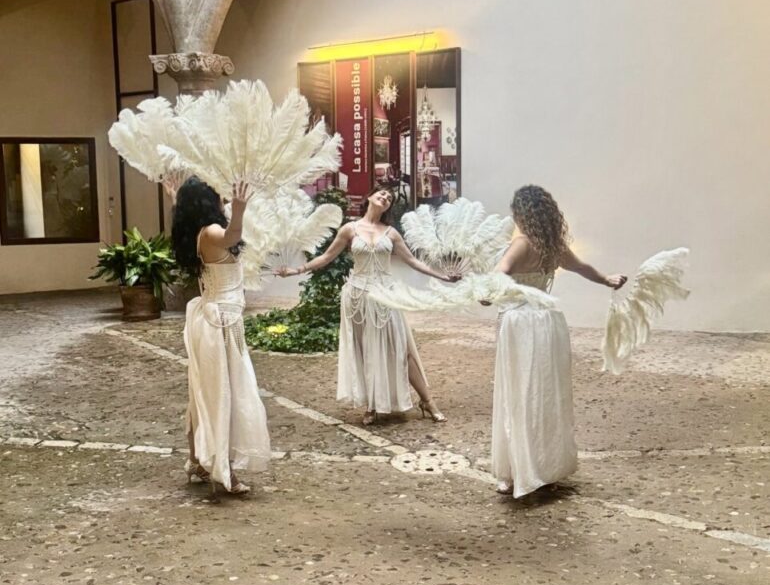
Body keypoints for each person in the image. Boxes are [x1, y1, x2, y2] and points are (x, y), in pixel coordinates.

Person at [278, 184, 456, 426]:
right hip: (357, 297)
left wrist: (442, 276)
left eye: (389, 197)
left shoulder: (391, 233)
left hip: (386, 297)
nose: (385, 197)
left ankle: (428, 400)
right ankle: (372, 405)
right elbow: (327, 257)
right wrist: (296, 270)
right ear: (370, 196)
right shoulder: (349, 229)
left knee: (402, 348)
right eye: (381, 193)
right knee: (366, 351)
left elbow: (413, 261)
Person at [492, 184, 627, 498]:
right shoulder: (552, 245)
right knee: (545, 395)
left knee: (518, 395)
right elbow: (581, 267)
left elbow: (501, 272)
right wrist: (608, 279)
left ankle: (515, 472)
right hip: (548, 321)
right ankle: (543, 466)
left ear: (520, 214)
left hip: (520, 323)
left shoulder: (521, 243)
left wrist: (485, 293)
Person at [171, 176, 271, 496]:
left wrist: (174, 192)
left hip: (216, 319)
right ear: (205, 202)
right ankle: (221, 469)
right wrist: (239, 209)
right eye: (215, 194)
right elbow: (232, 235)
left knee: (204, 394)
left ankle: (198, 462)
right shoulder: (213, 233)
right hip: (221, 323)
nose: (221, 198)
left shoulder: (198, 230)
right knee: (224, 395)